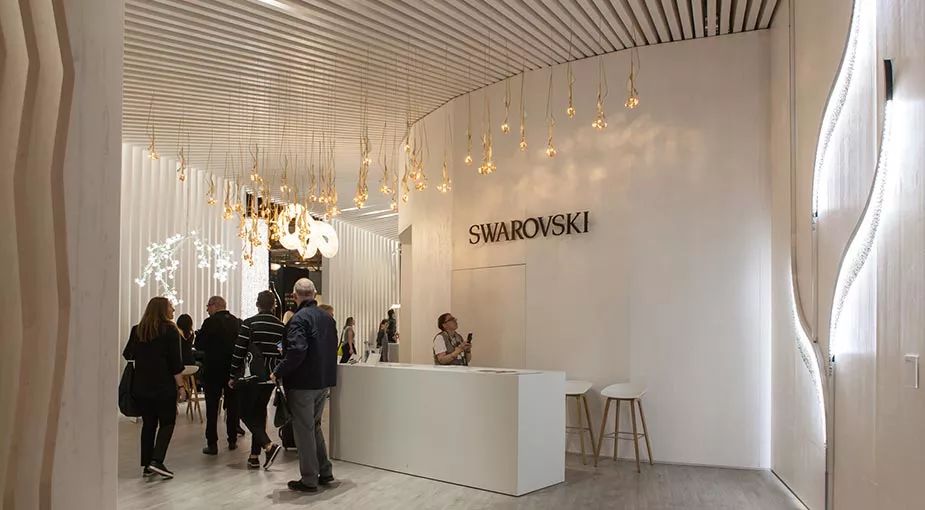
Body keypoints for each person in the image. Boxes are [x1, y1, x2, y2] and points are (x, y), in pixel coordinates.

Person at [271, 278, 337, 493]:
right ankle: (324, 471)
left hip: (303, 383)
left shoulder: (298, 319)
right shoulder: (327, 318)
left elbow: (297, 350)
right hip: (323, 381)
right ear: (315, 294)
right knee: (314, 426)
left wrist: (278, 371)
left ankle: (309, 478)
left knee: (304, 430)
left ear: (294, 295)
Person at [122, 297, 186, 479]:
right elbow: (175, 363)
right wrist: (181, 386)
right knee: (167, 422)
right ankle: (157, 460)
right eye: (171, 307)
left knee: (149, 424)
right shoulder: (170, 330)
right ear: (163, 310)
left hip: (141, 385)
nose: (173, 310)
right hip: (163, 385)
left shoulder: (138, 330)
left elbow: (127, 354)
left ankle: (147, 465)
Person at [229, 290, 284, 470]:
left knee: (244, 412)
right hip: (270, 376)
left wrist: (233, 374)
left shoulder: (249, 324)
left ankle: (268, 445)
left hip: (250, 376)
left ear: (257, 304)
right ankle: (254, 456)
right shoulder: (281, 327)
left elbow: (239, 350)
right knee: (259, 413)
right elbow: (282, 352)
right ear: (273, 305)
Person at [195, 295, 241, 455]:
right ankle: (232, 439)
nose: (207, 309)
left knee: (212, 407)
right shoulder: (236, 322)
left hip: (213, 370)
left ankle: (212, 443)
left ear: (215, 305)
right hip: (232, 370)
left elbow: (199, 344)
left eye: (208, 306)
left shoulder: (210, 322)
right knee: (232, 405)